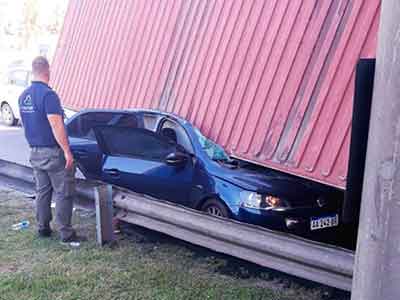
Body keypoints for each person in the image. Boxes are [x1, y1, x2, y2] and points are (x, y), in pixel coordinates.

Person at [19, 56, 81, 243]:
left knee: (43, 191)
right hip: (53, 153)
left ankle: (43, 228)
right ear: (47, 71)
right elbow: (57, 125)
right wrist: (67, 151)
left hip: (35, 151)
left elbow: (25, 124)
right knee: (63, 191)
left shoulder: (24, 96)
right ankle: (66, 233)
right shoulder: (48, 95)